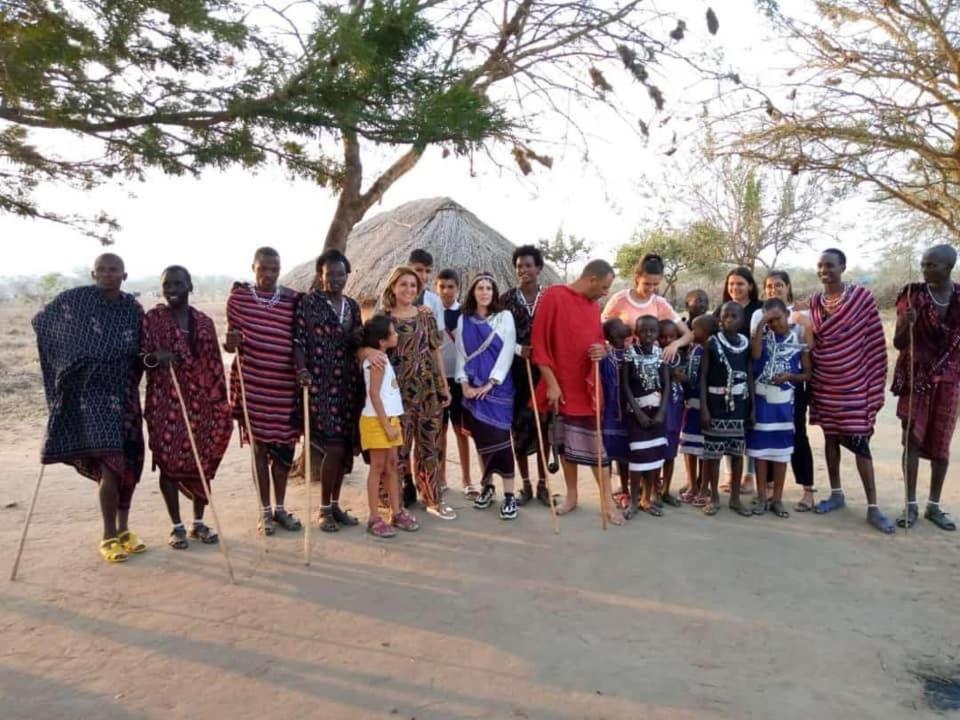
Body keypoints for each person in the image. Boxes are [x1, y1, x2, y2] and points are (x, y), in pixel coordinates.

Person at [33, 253, 146, 563]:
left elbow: (141, 351)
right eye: (102, 270)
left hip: (124, 394)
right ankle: (108, 535)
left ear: (125, 275)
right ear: (93, 273)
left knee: (130, 464)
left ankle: (124, 530)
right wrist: (68, 363)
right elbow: (42, 322)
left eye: (114, 270)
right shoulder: (75, 301)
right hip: (91, 395)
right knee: (110, 463)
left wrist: (154, 358)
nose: (108, 274)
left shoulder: (132, 309)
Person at [143, 266, 233, 548]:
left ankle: (198, 522)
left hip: (203, 406)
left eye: (178, 283)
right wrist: (156, 358)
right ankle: (177, 526)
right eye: (167, 284)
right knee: (169, 465)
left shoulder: (204, 322)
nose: (172, 288)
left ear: (190, 286)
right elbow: (140, 356)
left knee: (201, 463)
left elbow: (215, 365)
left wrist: (219, 405)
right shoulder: (153, 319)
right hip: (166, 404)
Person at [808, 248, 894, 534]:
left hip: (855, 385)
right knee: (830, 438)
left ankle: (873, 507)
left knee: (859, 442)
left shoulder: (861, 299)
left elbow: (873, 342)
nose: (824, 271)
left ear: (843, 267)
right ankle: (836, 493)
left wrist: (871, 382)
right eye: (820, 266)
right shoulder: (814, 302)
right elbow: (814, 343)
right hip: (825, 383)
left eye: (830, 265)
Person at [532, 259, 622, 524]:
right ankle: (572, 497)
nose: (606, 293)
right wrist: (551, 383)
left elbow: (597, 343)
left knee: (598, 452)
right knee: (565, 448)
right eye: (604, 287)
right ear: (591, 279)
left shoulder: (594, 308)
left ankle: (607, 502)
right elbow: (539, 344)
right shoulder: (554, 295)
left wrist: (601, 350)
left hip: (586, 390)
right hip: (559, 389)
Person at [224, 247, 302, 535]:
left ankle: (281, 509)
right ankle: (264, 512)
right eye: (263, 269)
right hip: (254, 385)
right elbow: (230, 341)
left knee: (284, 451)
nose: (269, 274)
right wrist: (229, 342)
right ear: (253, 268)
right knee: (259, 450)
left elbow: (298, 339)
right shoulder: (240, 299)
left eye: (274, 269)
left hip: (284, 388)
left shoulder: (293, 300)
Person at [293, 250, 365, 532]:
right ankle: (323, 510)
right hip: (320, 383)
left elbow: (358, 339)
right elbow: (298, 340)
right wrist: (301, 370)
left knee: (345, 447)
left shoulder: (352, 305)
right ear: (320, 275)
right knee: (332, 446)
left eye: (341, 274)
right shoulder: (308, 303)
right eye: (330, 274)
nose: (336, 279)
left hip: (349, 383)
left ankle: (335, 505)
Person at [891, 244, 960, 531]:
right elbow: (898, 344)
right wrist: (906, 324)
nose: (925, 269)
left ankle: (933, 505)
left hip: (949, 380)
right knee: (912, 442)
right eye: (923, 264)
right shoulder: (912, 295)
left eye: (931, 264)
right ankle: (910, 505)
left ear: (948, 267)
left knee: (941, 445)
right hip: (916, 377)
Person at [379, 266, 455, 519]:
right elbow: (373, 354)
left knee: (430, 446)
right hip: (396, 395)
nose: (409, 290)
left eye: (413, 285)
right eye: (403, 285)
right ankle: (393, 501)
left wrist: (443, 386)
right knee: (398, 449)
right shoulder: (383, 318)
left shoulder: (426, 315)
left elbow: (435, 352)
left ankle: (432, 498)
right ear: (393, 287)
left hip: (428, 392)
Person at [749, 270, 817, 511]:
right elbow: (755, 354)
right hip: (763, 399)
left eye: (779, 285)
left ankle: (790, 494)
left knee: (788, 444)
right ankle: (763, 495)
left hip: (787, 400)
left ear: (788, 287)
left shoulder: (799, 327)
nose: (773, 289)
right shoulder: (762, 327)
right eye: (769, 285)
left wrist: (789, 376)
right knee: (761, 448)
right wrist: (762, 324)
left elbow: (807, 366)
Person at [455, 274, 519, 519]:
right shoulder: (464, 320)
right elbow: (462, 356)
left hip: (498, 391)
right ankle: (487, 487)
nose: (484, 292)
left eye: (488, 288)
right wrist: (464, 386)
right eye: (480, 288)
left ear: (494, 292)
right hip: (472, 390)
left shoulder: (504, 317)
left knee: (502, 441)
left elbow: (506, 353)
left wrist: (490, 384)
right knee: (482, 442)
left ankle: (510, 496)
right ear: (473, 292)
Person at [359, 315, 420, 538]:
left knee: (393, 465)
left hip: (390, 419)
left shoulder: (382, 357)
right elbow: (374, 394)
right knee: (377, 468)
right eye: (393, 333)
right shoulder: (378, 362)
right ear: (382, 340)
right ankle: (374, 516)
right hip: (377, 420)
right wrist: (386, 425)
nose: (397, 335)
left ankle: (396, 511)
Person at [502, 245, 552, 506]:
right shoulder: (506, 299)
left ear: (539, 268)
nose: (523, 270)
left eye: (528, 265)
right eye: (519, 266)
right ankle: (526, 486)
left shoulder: (550, 298)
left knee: (545, 428)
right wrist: (520, 349)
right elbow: (498, 335)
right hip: (517, 373)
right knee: (518, 430)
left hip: (545, 372)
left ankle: (544, 485)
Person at [700, 302, 753, 518]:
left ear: (742, 320)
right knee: (713, 455)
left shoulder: (745, 344)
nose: (730, 319)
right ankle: (713, 496)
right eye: (726, 316)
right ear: (719, 319)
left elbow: (749, 375)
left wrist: (752, 409)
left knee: (737, 454)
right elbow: (703, 376)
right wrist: (704, 408)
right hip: (716, 406)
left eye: (735, 316)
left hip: (739, 407)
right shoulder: (711, 343)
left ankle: (735, 498)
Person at [715, 267, 763, 495]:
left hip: (753, 374)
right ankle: (729, 475)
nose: (735, 288)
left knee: (748, 429)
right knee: (726, 426)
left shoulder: (759, 310)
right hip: (726, 378)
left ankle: (749, 476)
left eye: (740, 284)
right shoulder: (721, 310)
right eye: (731, 284)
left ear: (751, 286)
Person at [621, 316, 670, 518]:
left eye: (652, 331)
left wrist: (661, 412)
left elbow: (666, 384)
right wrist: (638, 412)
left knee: (653, 458)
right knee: (638, 458)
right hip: (637, 414)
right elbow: (625, 385)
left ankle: (647, 499)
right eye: (644, 331)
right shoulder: (630, 354)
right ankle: (633, 501)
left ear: (657, 333)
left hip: (656, 413)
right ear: (637, 334)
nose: (648, 335)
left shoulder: (660, 354)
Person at [602, 253, 692, 360]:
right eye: (647, 284)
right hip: (622, 360)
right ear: (637, 278)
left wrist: (675, 344)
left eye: (655, 284)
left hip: (650, 361)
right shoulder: (619, 299)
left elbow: (688, 335)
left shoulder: (660, 304)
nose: (651, 288)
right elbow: (601, 326)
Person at [435, 269, 474, 497]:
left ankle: (467, 479)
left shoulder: (465, 315)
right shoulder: (431, 314)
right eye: (442, 287)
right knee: (439, 433)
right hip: (439, 382)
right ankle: (441, 478)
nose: (446, 291)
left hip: (460, 381)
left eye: (451, 287)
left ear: (458, 288)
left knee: (462, 432)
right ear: (436, 287)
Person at [680, 314, 717, 506]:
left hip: (705, 407)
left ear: (710, 332)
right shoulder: (693, 349)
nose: (693, 333)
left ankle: (704, 486)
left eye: (697, 329)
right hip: (691, 406)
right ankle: (692, 484)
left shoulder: (710, 349)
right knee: (689, 447)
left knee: (705, 449)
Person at [600, 318, 631, 506]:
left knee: (625, 453)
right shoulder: (605, 355)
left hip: (628, 411)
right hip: (609, 411)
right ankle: (607, 490)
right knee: (607, 453)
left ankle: (625, 488)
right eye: (616, 333)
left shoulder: (630, 353)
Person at [658, 319, 685, 507]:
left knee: (670, 454)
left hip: (675, 412)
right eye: (662, 336)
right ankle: (652, 490)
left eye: (671, 337)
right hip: (658, 413)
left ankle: (666, 490)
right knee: (655, 453)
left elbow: (689, 379)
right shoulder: (653, 356)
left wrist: (682, 377)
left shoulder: (681, 356)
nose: (667, 340)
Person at [409, 248, 444, 318]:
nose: (423, 276)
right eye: (419, 270)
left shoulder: (435, 302)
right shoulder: (394, 298)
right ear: (408, 268)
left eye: (428, 271)